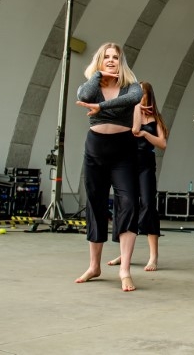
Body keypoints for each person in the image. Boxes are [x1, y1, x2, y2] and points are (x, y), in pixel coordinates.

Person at [74, 42, 143, 292]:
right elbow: (83, 97)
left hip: (123, 150)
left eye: (115, 57)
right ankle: (94, 266)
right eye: (107, 57)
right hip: (95, 149)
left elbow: (134, 99)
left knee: (129, 203)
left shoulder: (131, 85)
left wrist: (101, 107)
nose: (112, 60)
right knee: (96, 203)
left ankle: (125, 269)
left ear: (121, 62)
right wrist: (97, 75)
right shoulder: (91, 85)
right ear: (100, 61)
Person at [106, 81, 168, 271]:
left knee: (148, 204)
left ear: (149, 96)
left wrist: (145, 134)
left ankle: (153, 256)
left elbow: (162, 143)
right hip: (128, 163)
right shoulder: (130, 114)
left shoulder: (156, 118)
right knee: (126, 205)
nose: (139, 97)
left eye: (143, 94)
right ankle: (124, 254)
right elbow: (134, 130)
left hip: (146, 163)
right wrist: (136, 109)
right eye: (136, 94)